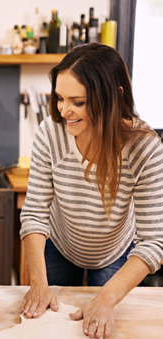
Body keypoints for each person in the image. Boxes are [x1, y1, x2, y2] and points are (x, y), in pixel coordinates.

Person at [20, 42, 163, 338]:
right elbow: (34, 214)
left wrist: (106, 298)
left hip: (114, 254)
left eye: (79, 102)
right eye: (60, 98)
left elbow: (153, 242)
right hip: (59, 248)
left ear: (114, 96)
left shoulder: (145, 148)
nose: (64, 111)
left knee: (99, 327)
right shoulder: (51, 133)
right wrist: (38, 282)